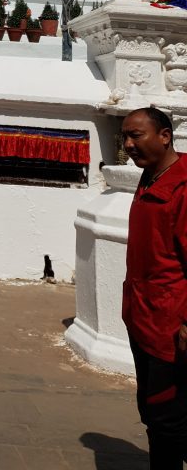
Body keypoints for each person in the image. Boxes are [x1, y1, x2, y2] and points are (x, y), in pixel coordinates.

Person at [122, 105, 187, 469]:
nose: (128, 144)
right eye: (125, 137)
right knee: (152, 410)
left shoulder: (183, 188)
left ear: (164, 136)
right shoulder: (151, 177)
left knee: (167, 416)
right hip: (143, 317)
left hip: (170, 326)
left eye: (136, 135)